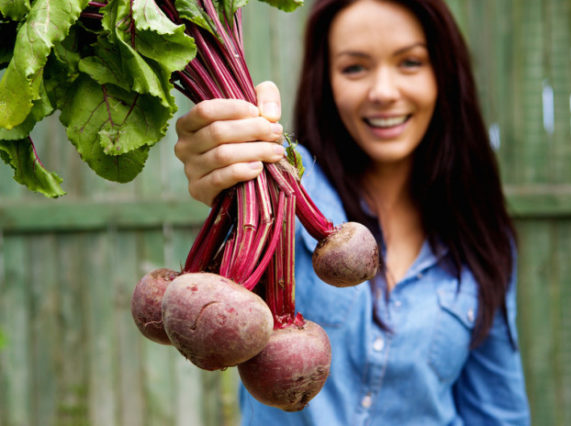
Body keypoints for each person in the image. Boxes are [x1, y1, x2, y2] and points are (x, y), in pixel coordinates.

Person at [174, 0, 531, 424]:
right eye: (355, 68)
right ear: (325, 81)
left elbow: (497, 412)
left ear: (444, 74)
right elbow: (236, 172)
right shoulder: (281, 183)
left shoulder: (480, 236)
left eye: (410, 62)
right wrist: (225, 157)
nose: (383, 91)